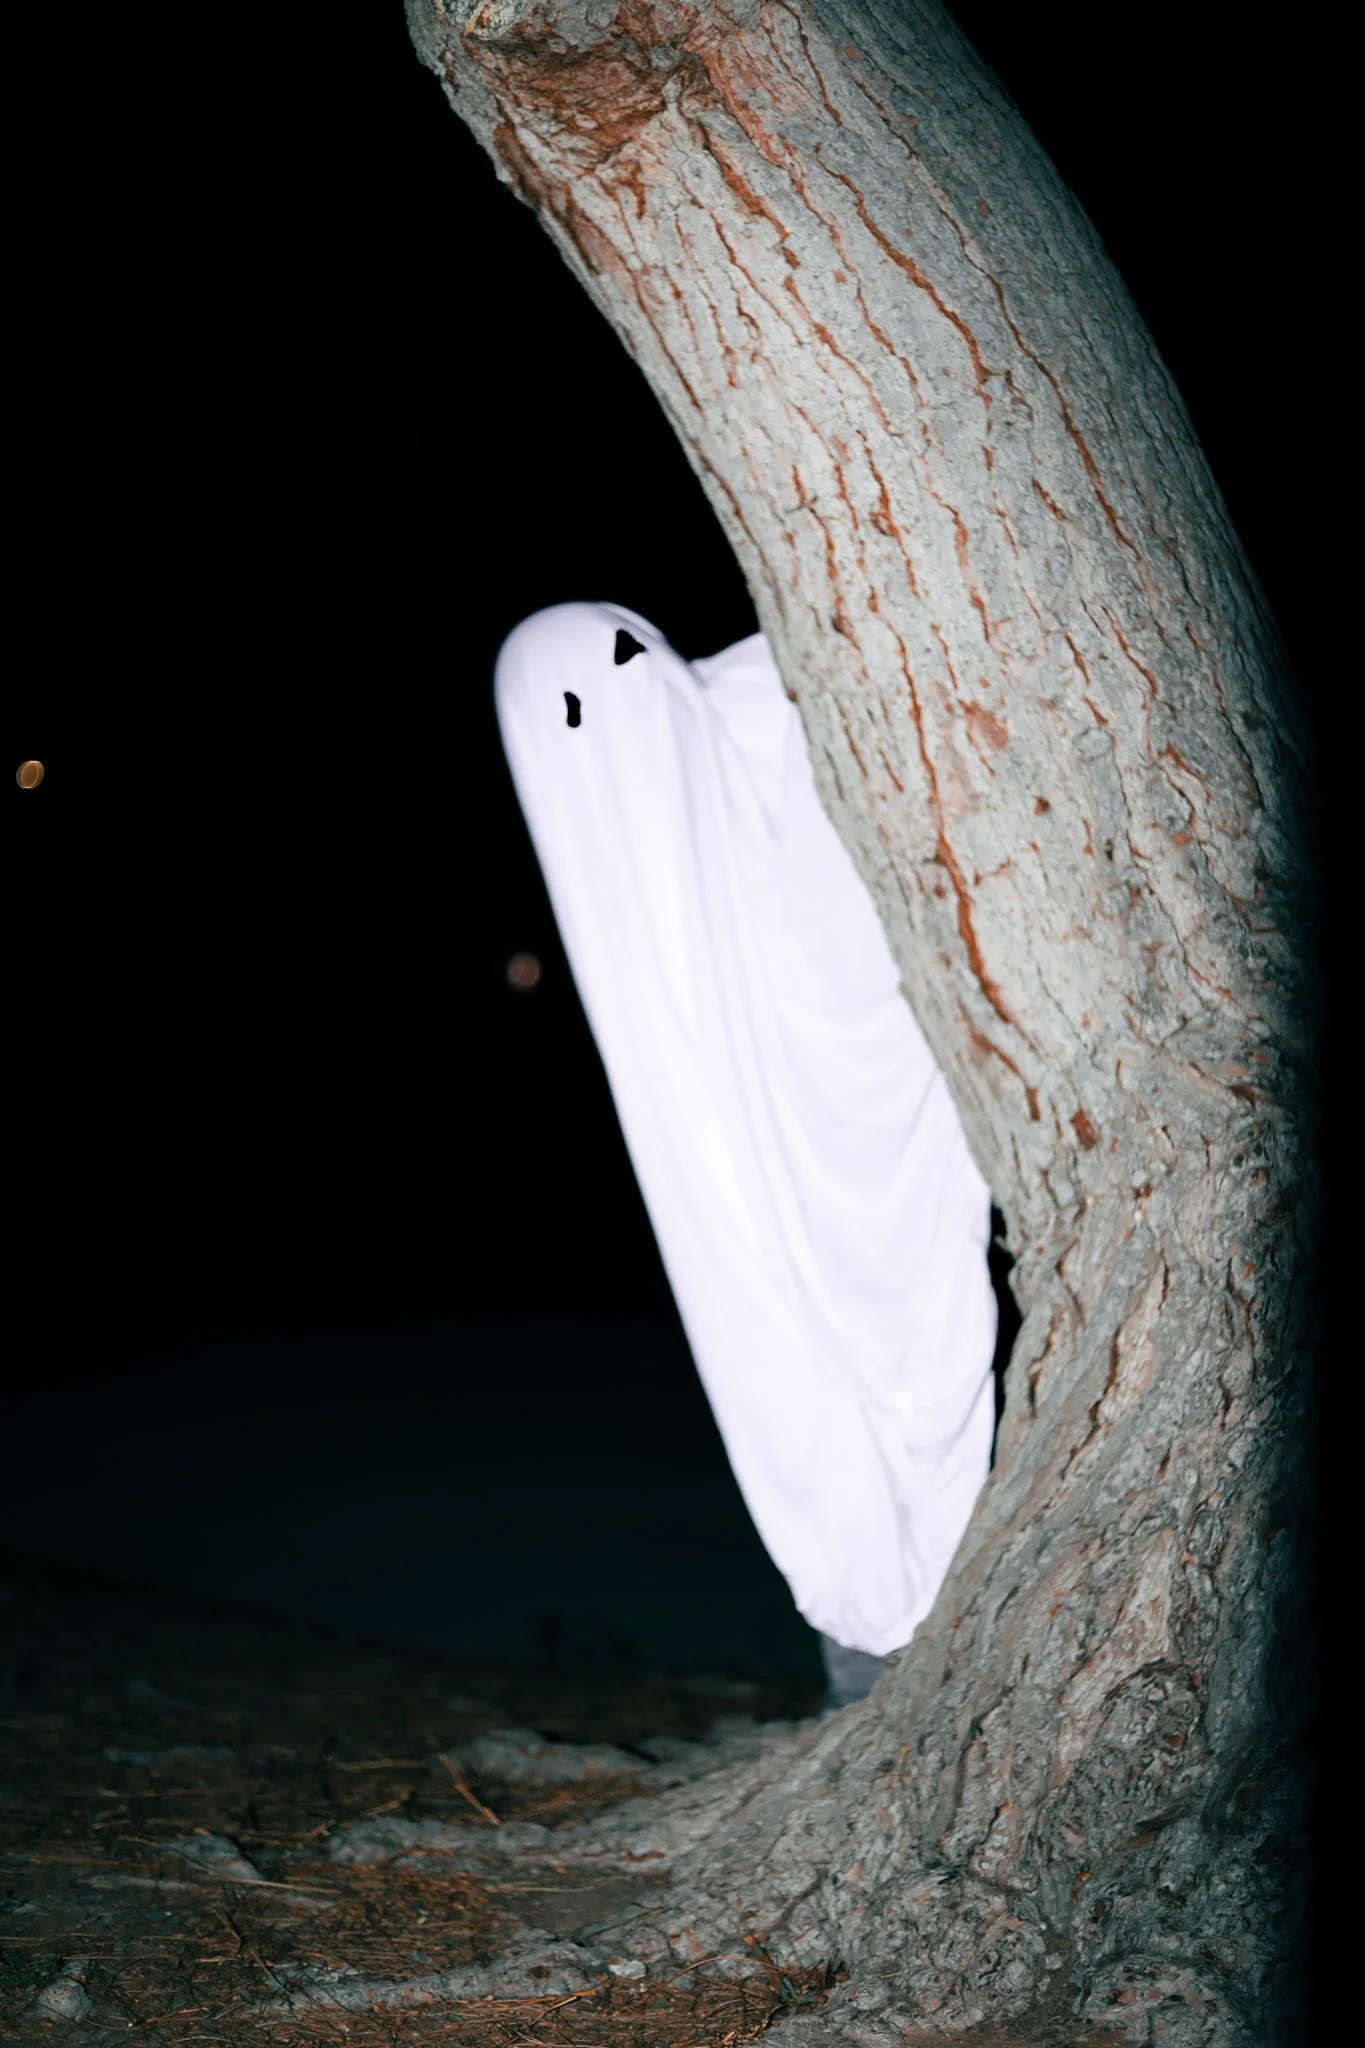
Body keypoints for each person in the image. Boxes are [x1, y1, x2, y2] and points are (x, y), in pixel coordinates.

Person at [495, 603, 997, 1708]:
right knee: (786, 1358)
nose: (595, 728)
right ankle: (877, 1639)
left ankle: (910, 1609)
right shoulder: (617, 875)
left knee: (899, 1324)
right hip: (743, 1170)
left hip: (860, 1126)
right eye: (561, 720)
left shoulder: (749, 722)